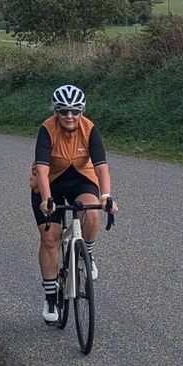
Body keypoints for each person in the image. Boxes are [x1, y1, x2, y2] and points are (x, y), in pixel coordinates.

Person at [29, 84, 118, 324]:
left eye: (75, 111)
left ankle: (87, 253)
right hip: (50, 183)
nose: (70, 116)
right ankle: (50, 297)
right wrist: (46, 200)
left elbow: (101, 167)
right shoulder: (47, 130)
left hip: (81, 179)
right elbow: (42, 170)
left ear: (82, 111)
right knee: (50, 238)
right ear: (56, 111)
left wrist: (106, 196)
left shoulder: (90, 129)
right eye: (64, 111)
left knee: (92, 211)